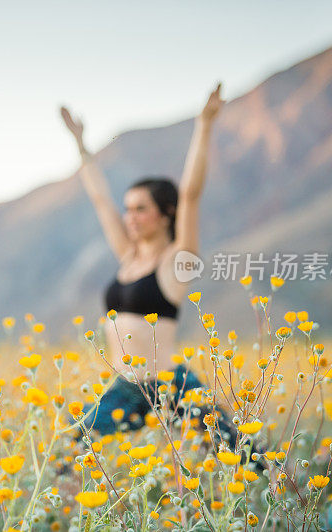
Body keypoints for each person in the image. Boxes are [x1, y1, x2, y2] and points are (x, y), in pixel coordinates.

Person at [61, 84, 228, 437]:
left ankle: (286, 482)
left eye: (141, 209)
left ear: (166, 214)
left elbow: (191, 194)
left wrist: (205, 124)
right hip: (126, 387)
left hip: (170, 385)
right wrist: (80, 143)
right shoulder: (128, 255)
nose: (130, 217)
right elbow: (100, 200)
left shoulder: (177, 261)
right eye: (129, 209)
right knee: (74, 442)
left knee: (240, 454)